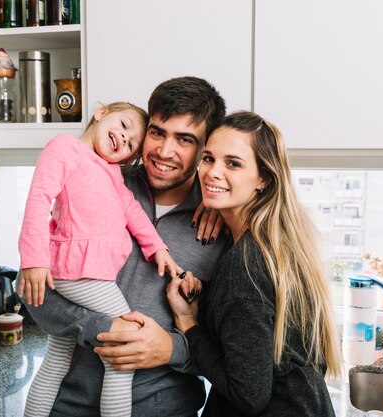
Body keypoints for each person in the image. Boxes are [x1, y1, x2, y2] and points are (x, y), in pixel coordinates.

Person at [22, 76, 228, 417]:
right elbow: (31, 287)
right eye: (157, 132)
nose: (164, 151)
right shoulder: (100, 177)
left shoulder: (221, 225)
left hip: (164, 409)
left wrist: (171, 349)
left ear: (205, 150)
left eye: (185, 140)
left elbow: (227, 354)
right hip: (68, 405)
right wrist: (101, 330)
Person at [166, 111, 343, 417]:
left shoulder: (245, 265)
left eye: (233, 163)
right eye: (208, 159)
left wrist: (189, 326)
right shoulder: (280, 240)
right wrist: (207, 296)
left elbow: (248, 394)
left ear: (263, 179)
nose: (212, 173)